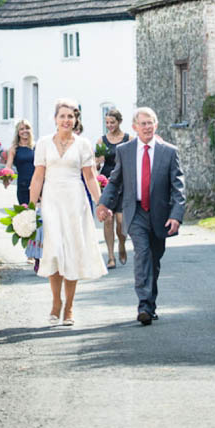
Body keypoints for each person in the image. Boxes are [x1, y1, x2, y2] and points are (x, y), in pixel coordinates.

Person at [96, 107, 185, 326]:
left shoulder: (169, 151)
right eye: (142, 123)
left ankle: (150, 304)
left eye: (150, 123)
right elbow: (115, 181)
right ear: (135, 127)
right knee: (143, 254)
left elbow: (178, 187)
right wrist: (104, 204)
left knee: (154, 260)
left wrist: (176, 215)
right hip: (135, 211)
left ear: (156, 125)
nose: (147, 127)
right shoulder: (125, 151)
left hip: (160, 214)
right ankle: (144, 305)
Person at [30, 99, 106, 327]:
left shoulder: (83, 145)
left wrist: (100, 203)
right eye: (62, 116)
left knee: (71, 252)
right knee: (54, 252)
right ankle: (56, 303)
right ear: (55, 119)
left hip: (75, 202)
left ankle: (70, 307)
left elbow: (90, 176)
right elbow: (38, 177)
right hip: (51, 200)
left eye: (70, 116)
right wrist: (30, 206)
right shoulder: (43, 143)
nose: (66, 120)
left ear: (76, 120)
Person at [95, 108, 130, 268]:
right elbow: (95, 164)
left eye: (112, 122)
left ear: (119, 122)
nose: (109, 125)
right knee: (108, 219)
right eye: (107, 122)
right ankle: (110, 256)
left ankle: (121, 244)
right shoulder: (101, 141)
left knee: (121, 222)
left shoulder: (129, 139)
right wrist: (97, 161)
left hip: (124, 181)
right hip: (107, 182)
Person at [4, 119, 35, 205]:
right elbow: (8, 167)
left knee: (40, 216)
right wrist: (6, 178)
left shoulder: (36, 147)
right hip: (23, 187)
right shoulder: (14, 149)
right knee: (26, 215)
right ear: (18, 132)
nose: (25, 131)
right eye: (21, 129)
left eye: (27, 128)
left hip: (38, 186)